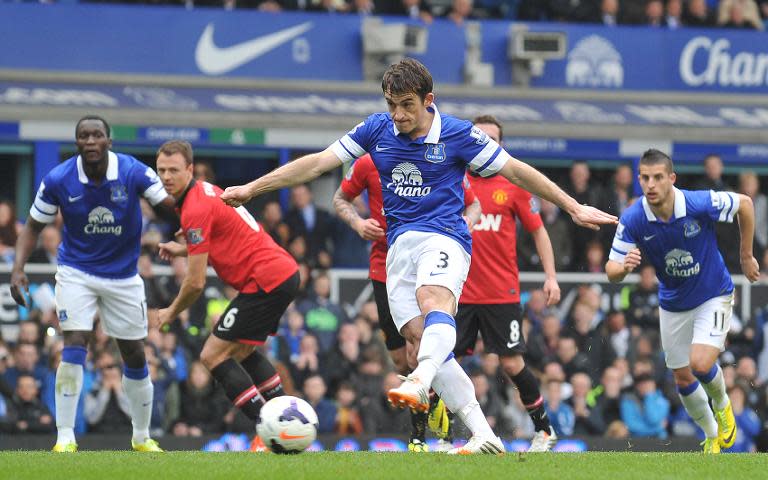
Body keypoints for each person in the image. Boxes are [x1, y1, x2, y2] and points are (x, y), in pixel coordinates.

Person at [221, 58, 616, 454]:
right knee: (419, 337)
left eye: (406, 104)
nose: (398, 114)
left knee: (433, 304)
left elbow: (516, 171)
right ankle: (484, 434)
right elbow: (319, 162)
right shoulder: (377, 129)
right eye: (392, 104)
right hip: (399, 249)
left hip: (445, 237)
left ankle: (419, 380)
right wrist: (254, 187)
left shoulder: (459, 134)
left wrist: (572, 206)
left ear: (429, 100)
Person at [10, 115, 172, 453]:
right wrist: (18, 268)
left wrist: (193, 229)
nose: (90, 141)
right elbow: (33, 227)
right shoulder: (59, 178)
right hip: (76, 272)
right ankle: (65, 437)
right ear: (77, 142)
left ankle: (142, 436)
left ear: (109, 141)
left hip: (124, 276)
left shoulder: (133, 171)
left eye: (97, 135)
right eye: (84, 136)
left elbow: (169, 206)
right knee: (74, 343)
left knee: (133, 354)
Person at [605, 148, 760, 454]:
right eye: (645, 178)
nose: (651, 184)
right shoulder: (635, 217)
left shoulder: (696, 202)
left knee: (701, 363)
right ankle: (712, 435)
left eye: (658, 177)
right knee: (681, 376)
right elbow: (611, 269)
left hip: (713, 293)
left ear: (671, 179)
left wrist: (746, 255)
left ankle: (724, 405)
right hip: (673, 302)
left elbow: (745, 203)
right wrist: (623, 268)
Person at [332, 151, 480, 451]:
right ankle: (437, 402)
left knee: (418, 350)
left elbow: (474, 204)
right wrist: (358, 224)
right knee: (401, 359)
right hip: (385, 268)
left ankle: (418, 437)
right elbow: (340, 199)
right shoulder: (367, 163)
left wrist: (462, 226)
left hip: (426, 264)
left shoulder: (435, 158)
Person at [153, 140, 298, 432]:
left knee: (212, 354)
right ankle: (289, 423)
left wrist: (170, 311)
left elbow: (195, 283)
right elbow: (222, 234)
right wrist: (183, 248)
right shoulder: (206, 192)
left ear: (190, 169)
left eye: (173, 170)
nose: (166, 177)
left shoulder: (193, 207)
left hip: (265, 278)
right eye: (161, 170)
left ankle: (271, 431)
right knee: (240, 351)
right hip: (282, 274)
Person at [450, 115, 560, 452]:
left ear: (500, 145)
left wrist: (551, 276)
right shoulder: (453, 181)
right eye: (479, 137)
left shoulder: (512, 185)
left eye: (492, 138)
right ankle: (436, 438)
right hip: (458, 291)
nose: (484, 143)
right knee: (443, 361)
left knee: (512, 363)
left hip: (501, 292)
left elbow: (538, 230)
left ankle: (543, 430)